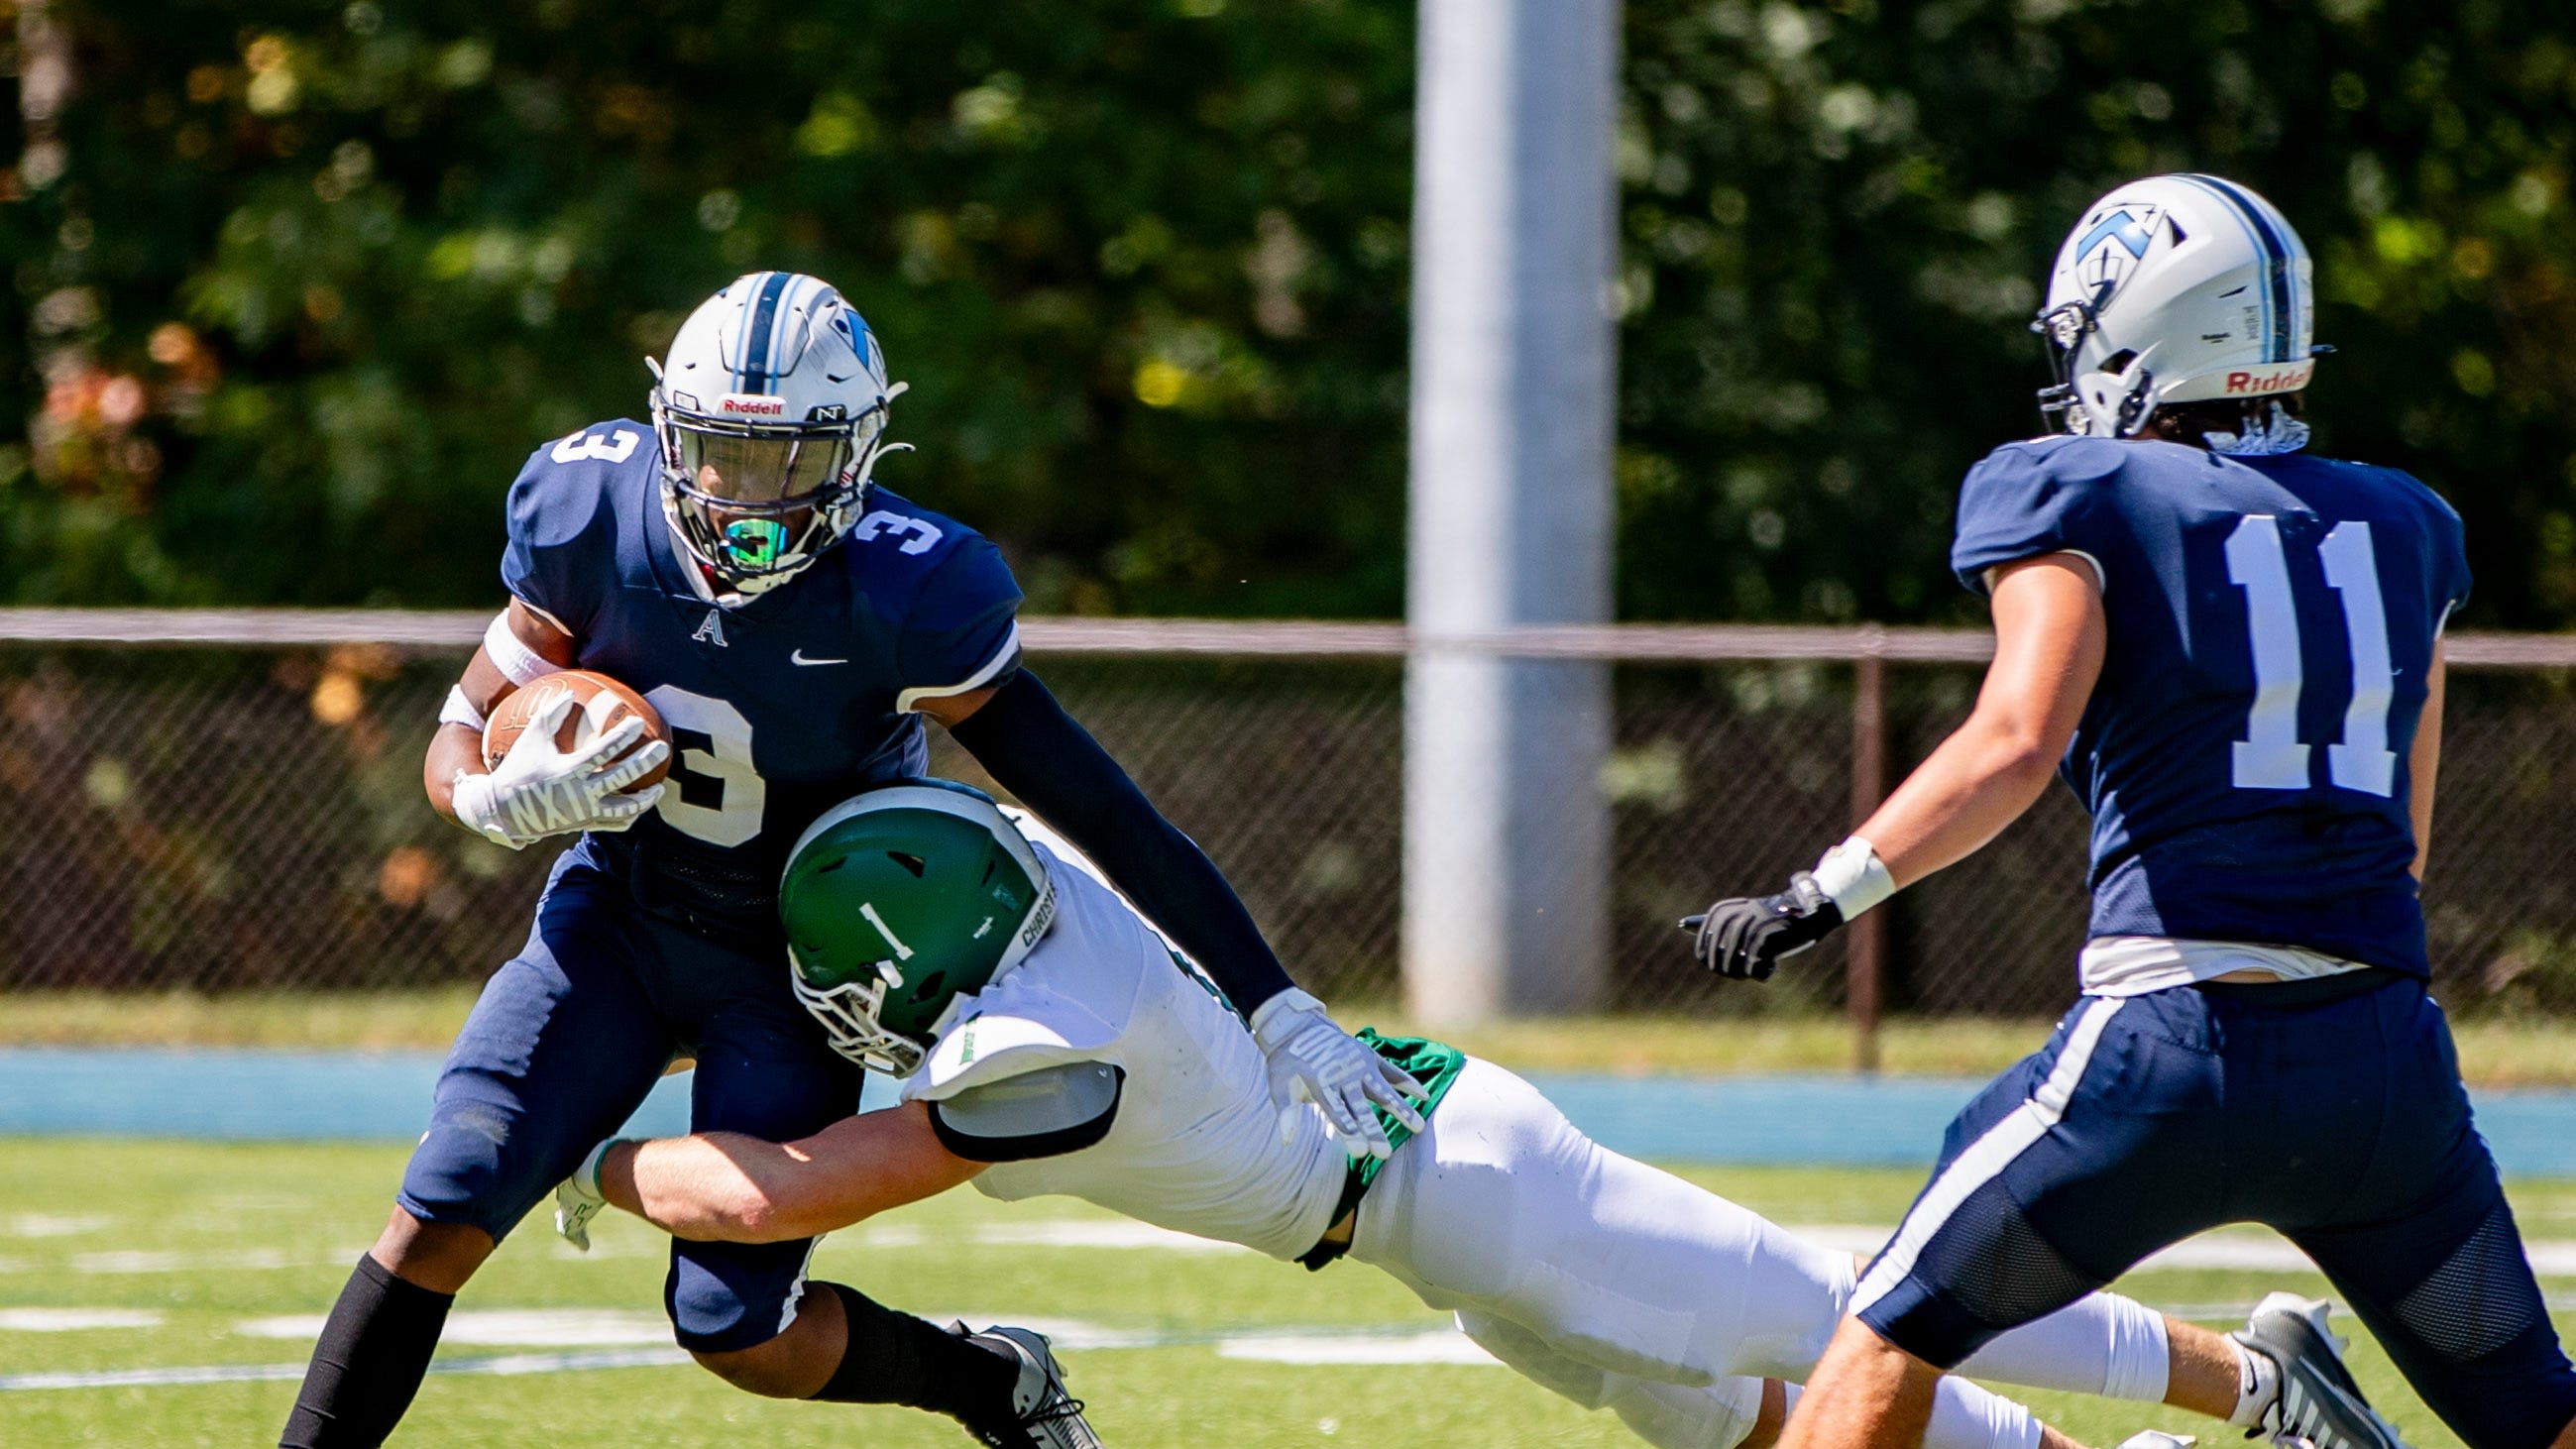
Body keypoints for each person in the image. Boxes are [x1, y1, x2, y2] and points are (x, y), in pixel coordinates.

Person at [278, 273, 1423, 1449]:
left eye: (789, 461)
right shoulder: (585, 506)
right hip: (618, 916)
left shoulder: (910, 585)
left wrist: (1276, 1005)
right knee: (448, 1199)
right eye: (720, 453)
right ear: (672, 428)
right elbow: (458, 728)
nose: (746, 497)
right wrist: (483, 796)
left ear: (862, 449)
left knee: (736, 1331)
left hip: (799, 962)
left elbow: (1104, 810)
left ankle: (986, 1380)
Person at [559, 779, 2372, 1449]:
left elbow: (773, 1195)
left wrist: (593, 1148)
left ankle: (2248, 1376)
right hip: (1432, 1203)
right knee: (1709, 1412)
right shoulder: (1039, 881)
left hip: (1468, 1192)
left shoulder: (1017, 1064)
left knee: (1859, 1320)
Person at [1684, 174, 2576, 1449]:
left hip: (2168, 1054)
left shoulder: (2079, 490)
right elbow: (2407, 841)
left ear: (2142, 327)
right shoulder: (2406, 525)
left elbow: (2011, 737)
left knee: (1886, 1334)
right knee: (2533, 1412)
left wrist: (1819, 893)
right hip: (2383, 1075)